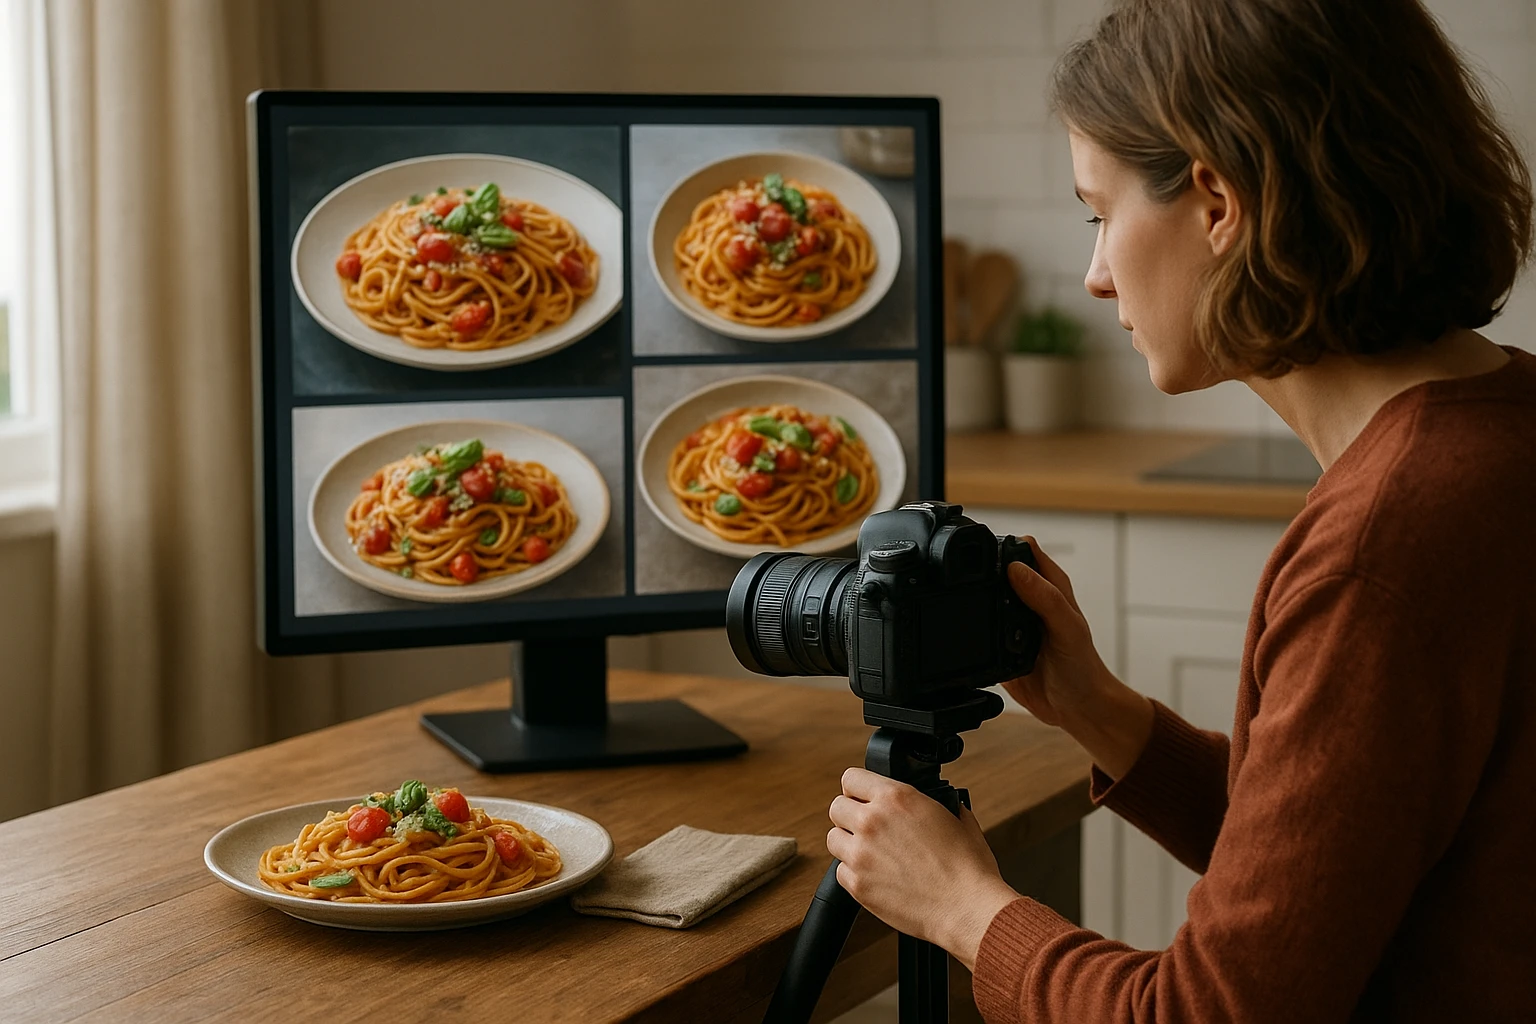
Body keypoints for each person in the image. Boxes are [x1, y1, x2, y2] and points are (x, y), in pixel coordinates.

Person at [825, 0, 1536, 1020]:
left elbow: (1210, 1011)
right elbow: (1331, 876)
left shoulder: (1383, 545)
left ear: (1217, 201)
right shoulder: (1499, 433)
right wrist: (1098, 711)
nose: (1097, 274)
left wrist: (963, 906)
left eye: (1099, 212)